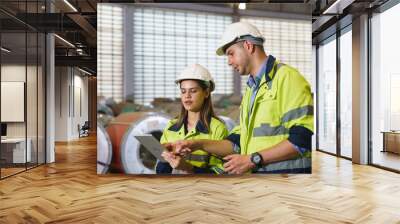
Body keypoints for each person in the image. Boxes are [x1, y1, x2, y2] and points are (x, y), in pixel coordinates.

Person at [170, 22, 314, 174]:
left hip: (287, 182)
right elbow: (237, 142)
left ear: (248, 46)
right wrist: (197, 144)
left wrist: (253, 159)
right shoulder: (253, 89)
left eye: (231, 53)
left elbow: (304, 139)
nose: (229, 62)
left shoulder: (287, 78)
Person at [156, 64, 228, 174]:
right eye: (183, 91)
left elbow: (222, 173)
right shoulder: (171, 126)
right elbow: (160, 171)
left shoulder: (217, 128)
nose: (187, 96)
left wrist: (188, 168)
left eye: (193, 91)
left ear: (206, 93)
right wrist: (167, 157)